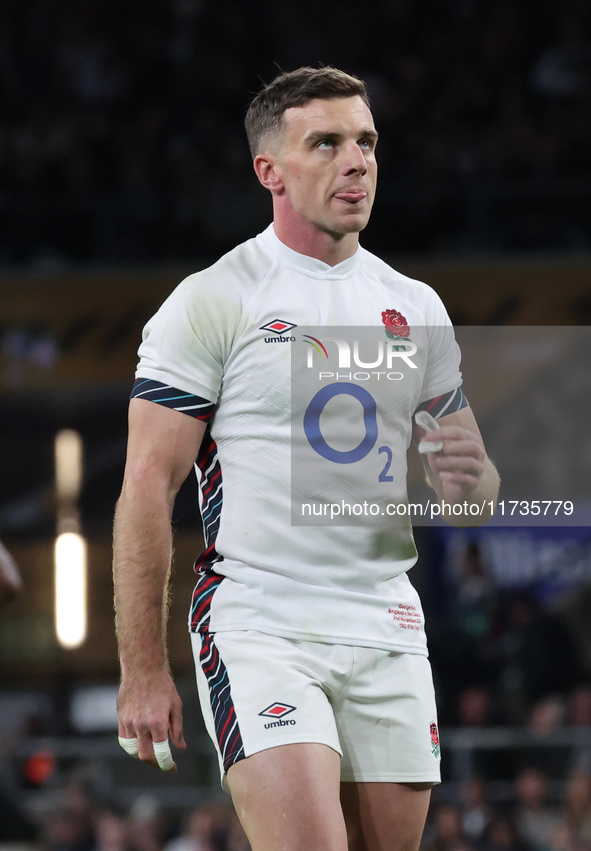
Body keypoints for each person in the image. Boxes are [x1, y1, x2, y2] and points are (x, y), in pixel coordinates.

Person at [113, 66, 500, 851]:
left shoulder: (415, 305)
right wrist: (142, 668)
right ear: (271, 171)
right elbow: (147, 485)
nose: (354, 161)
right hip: (263, 621)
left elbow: (475, 492)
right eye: (324, 143)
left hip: (385, 620)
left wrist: (470, 480)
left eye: (365, 142)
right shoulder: (214, 299)